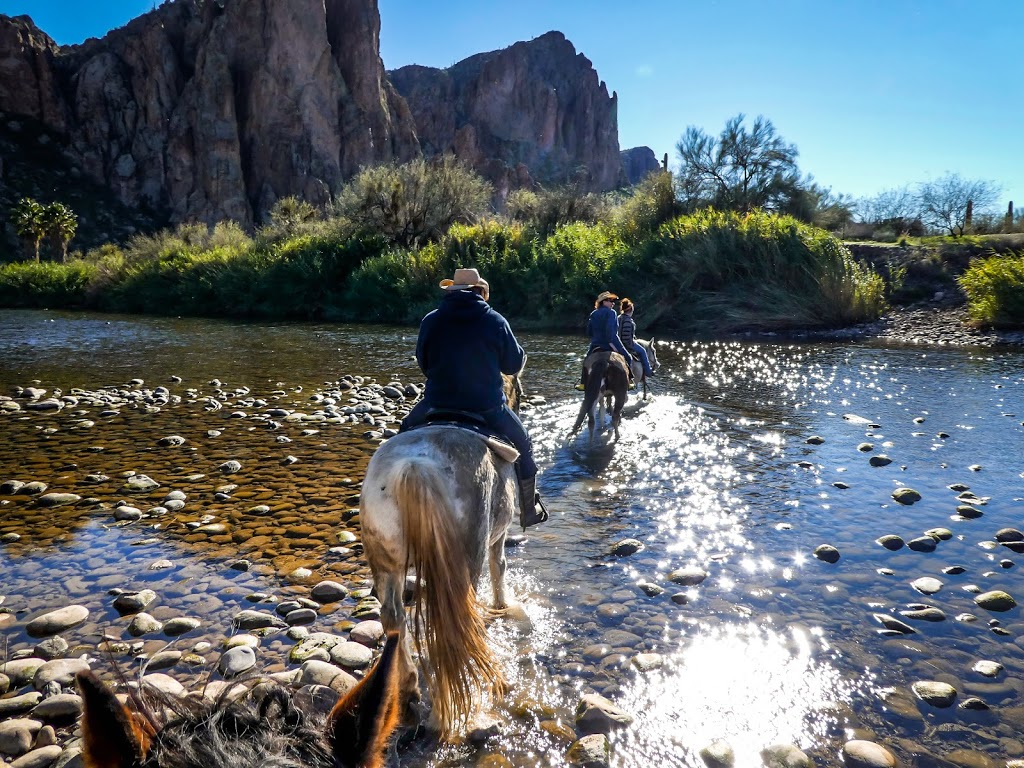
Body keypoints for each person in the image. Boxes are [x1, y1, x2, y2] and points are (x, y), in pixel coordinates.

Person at [400, 267, 548, 529]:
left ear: (452, 291)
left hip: (437, 403)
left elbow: (424, 363)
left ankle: (392, 501)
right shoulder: (495, 321)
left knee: (402, 435)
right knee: (523, 444)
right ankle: (529, 510)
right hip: (486, 406)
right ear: (481, 292)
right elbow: (512, 366)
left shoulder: (431, 320)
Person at [580, 291, 633, 389]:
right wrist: (613, 346)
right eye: (610, 300)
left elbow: (589, 332)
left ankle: (583, 383)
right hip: (611, 342)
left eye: (613, 301)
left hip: (595, 344)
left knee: (586, 361)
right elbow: (610, 332)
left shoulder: (593, 313)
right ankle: (628, 382)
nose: (613, 303)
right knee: (628, 358)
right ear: (603, 302)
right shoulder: (611, 313)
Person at [617, 298, 654, 379]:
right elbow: (626, 337)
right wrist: (631, 344)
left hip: (618, 342)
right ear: (630, 310)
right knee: (642, 351)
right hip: (627, 344)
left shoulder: (618, 318)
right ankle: (648, 371)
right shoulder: (628, 320)